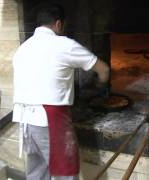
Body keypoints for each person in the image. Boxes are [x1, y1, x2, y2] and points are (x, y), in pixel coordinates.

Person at [12, 4, 109, 180]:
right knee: (65, 173)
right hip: (49, 121)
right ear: (58, 24)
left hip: (25, 122)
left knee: (37, 172)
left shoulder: (22, 49)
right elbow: (104, 69)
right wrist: (101, 89)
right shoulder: (64, 45)